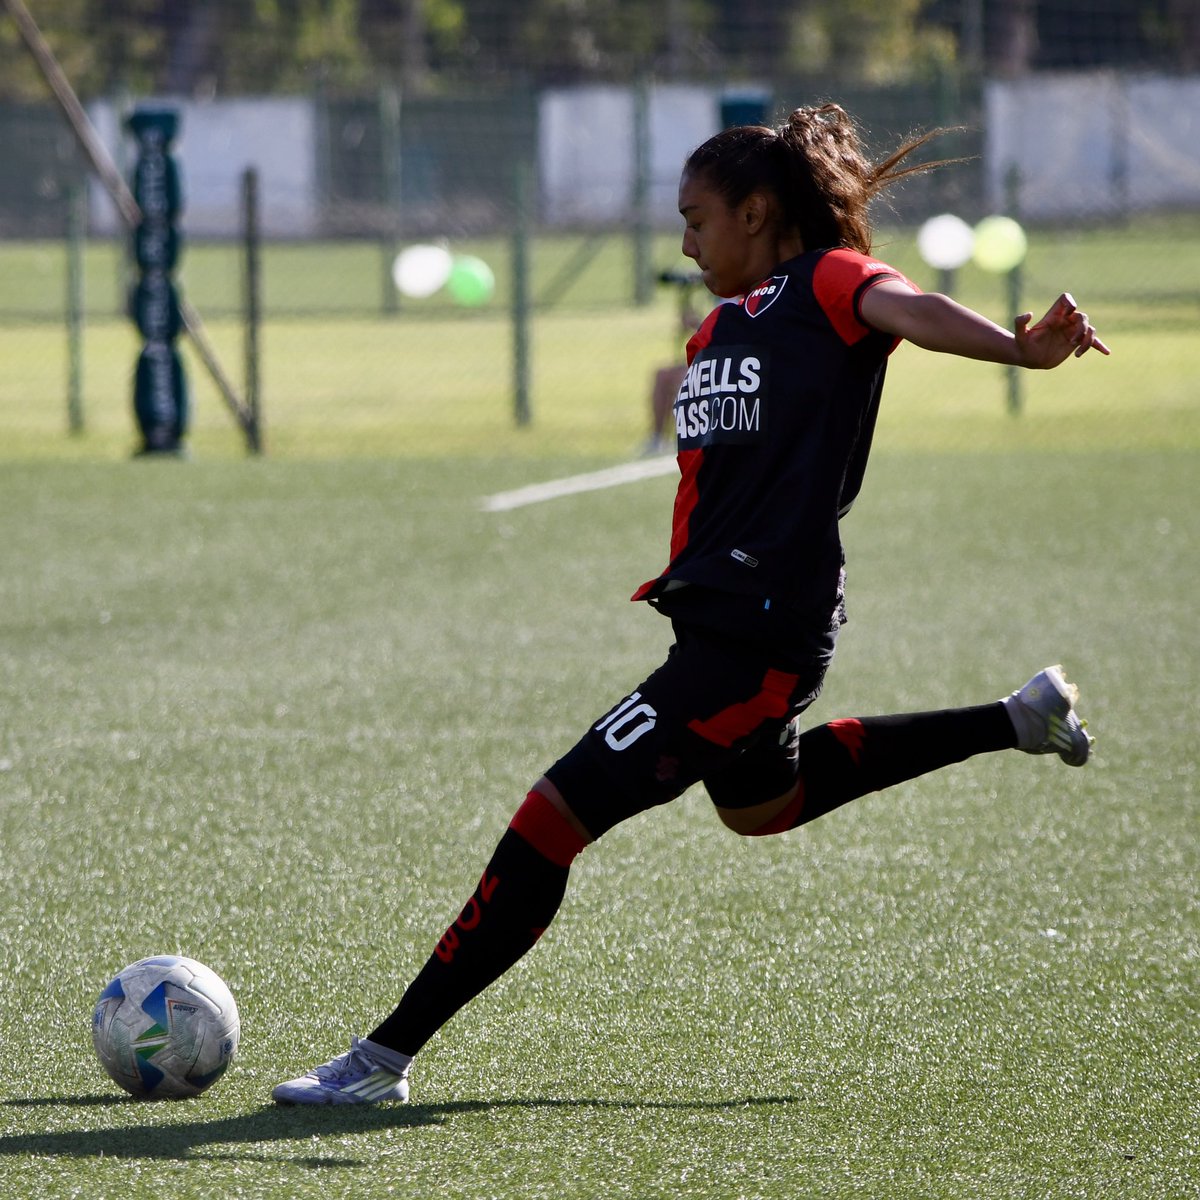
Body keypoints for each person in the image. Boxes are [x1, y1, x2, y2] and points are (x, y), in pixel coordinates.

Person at [273, 103, 1109, 1106]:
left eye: (697, 218)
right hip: (726, 626)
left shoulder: (828, 284)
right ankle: (1016, 718)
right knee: (764, 804)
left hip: (753, 640)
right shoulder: (720, 324)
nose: (685, 241)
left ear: (758, 213)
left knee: (548, 821)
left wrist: (1020, 352)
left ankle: (381, 1061)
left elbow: (906, 305)